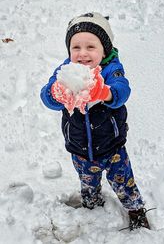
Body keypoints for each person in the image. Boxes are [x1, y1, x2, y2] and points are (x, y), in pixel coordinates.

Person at [40, 12, 150, 230]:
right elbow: (47, 96)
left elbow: (122, 91)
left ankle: (135, 209)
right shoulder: (66, 71)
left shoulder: (111, 69)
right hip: (80, 148)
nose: (82, 54)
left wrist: (104, 92)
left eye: (91, 47)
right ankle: (91, 204)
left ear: (104, 48)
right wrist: (56, 92)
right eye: (76, 47)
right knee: (87, 182)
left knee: (123, 182)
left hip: (112, 147)